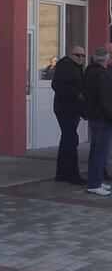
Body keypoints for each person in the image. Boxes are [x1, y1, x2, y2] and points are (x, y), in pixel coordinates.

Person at [51, 45, 86, 185]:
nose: (81, 58)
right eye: (78, 55)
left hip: (72, 108)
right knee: (71, 140)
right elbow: (57, 86)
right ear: (70, 55)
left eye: (83, 55)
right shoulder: (65, 67)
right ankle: (73, 175)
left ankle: (61, 173)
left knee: (67, 140)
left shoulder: (75, 67)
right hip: (66, 109)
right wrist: (76, 95)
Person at [83, 47, 112, 196]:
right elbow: (106, 100)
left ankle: (96, 181)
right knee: (101, 152)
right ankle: (94, 183)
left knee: (96, 151)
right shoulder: (102, 74)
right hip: (102, 118)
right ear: (107, 60)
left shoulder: (89, 72)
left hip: (94, 116)